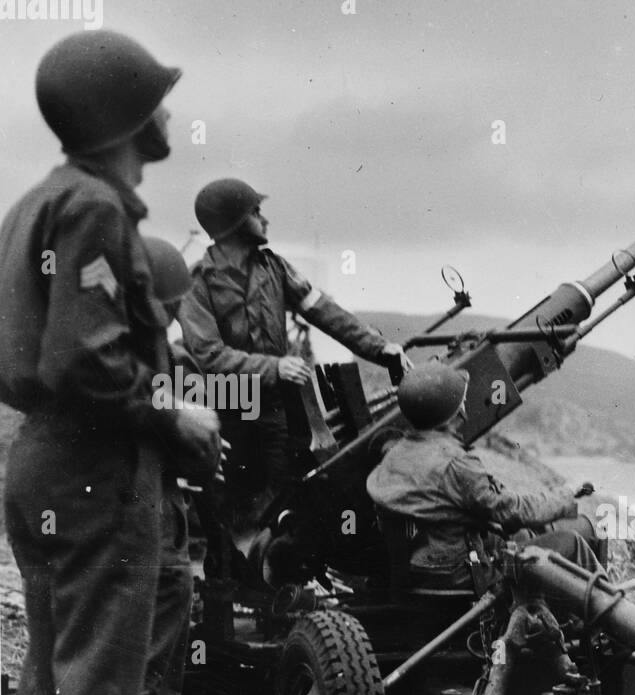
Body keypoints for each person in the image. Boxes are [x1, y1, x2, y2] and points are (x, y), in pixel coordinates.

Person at [0, 32, 221, 695]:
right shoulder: (93, 209)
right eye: (157, 100)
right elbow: (83, 359)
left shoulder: (35, 205)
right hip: (99, 476)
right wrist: (176, 422)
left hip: (43, 468)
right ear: (125, 118)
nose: (170, 114)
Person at [179, 177, 410, 538]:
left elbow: (325, 312)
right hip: (228, 407)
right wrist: (274, 366)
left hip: (275, 407)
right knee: (231, 504)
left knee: (288, 493)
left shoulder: (274, 268)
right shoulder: (197, 282)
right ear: (235, 223)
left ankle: (281, 578)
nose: (264, 219)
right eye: (256, 212)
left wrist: (381, 349)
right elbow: (208, 354)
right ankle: (231, 584)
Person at [117, 236, 213, 695]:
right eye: (174, 305)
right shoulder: (141, 366)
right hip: (147, 528)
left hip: (117, 520)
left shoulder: (102, 353)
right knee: (147, 675)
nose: (180, 319)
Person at [366, 362, 596, 589]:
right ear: (456, 415)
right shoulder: (456, 464)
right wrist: (566, 495)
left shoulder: (393, 454)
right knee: (572, 541)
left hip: (418, 568)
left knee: (523, 535)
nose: (464, 407)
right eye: (462, 402)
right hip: (462, 572)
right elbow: (512, 511)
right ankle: (600, 625)